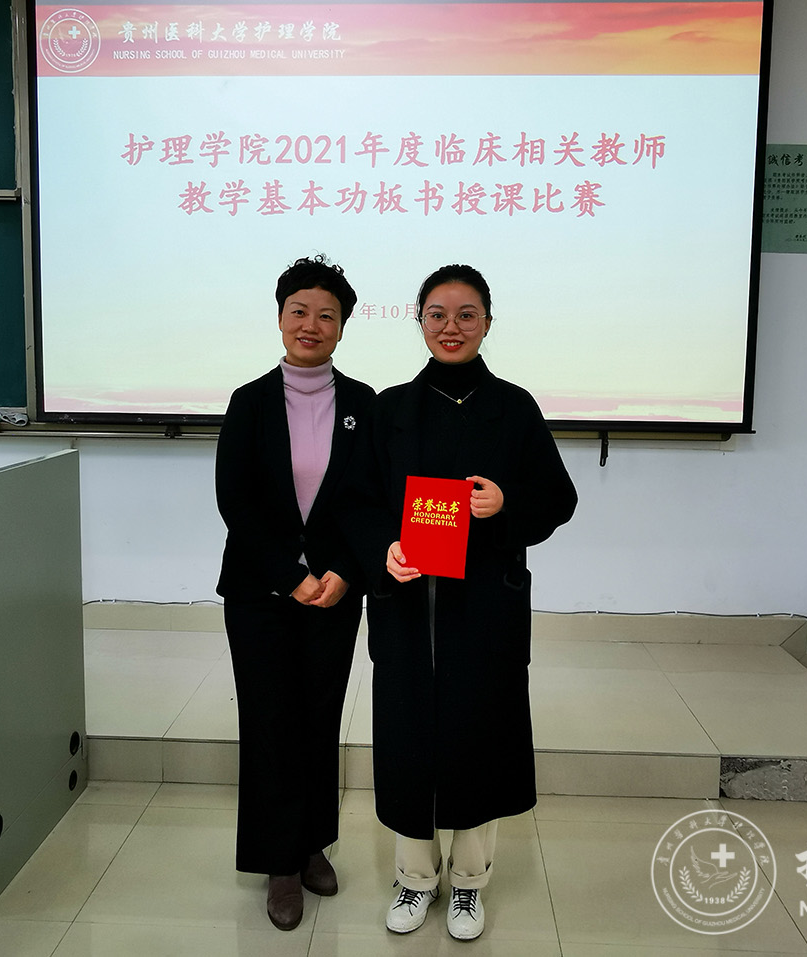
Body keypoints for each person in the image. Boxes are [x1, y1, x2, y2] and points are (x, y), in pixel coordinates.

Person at [360, 264, 577, 941]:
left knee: (479, 734)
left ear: (487, 321)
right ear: (418, 320)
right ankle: (414, 876)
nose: (450, 327)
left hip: (484, 604)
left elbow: (559, 498)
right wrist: (383, 548)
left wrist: (506, 503)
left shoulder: (514, 407)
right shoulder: (390, 408)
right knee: (408, 734)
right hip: (407, 604)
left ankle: (468, 882)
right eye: (437, 314)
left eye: (466, 314)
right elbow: (358, 502)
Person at [215, 255, 375, 931]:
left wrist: (344, 571)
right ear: (281, 318)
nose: (312, 324)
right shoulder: (249, 401)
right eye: (299, 311)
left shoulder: (364, 403)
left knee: (319, 717)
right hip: (260, 591)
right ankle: (278, 861)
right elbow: (236, 501)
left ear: (342, 326)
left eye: (326, 315)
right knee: (270, 721)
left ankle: (312, 844)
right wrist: (291, 574)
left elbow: (373, 501)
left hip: (336, 591)